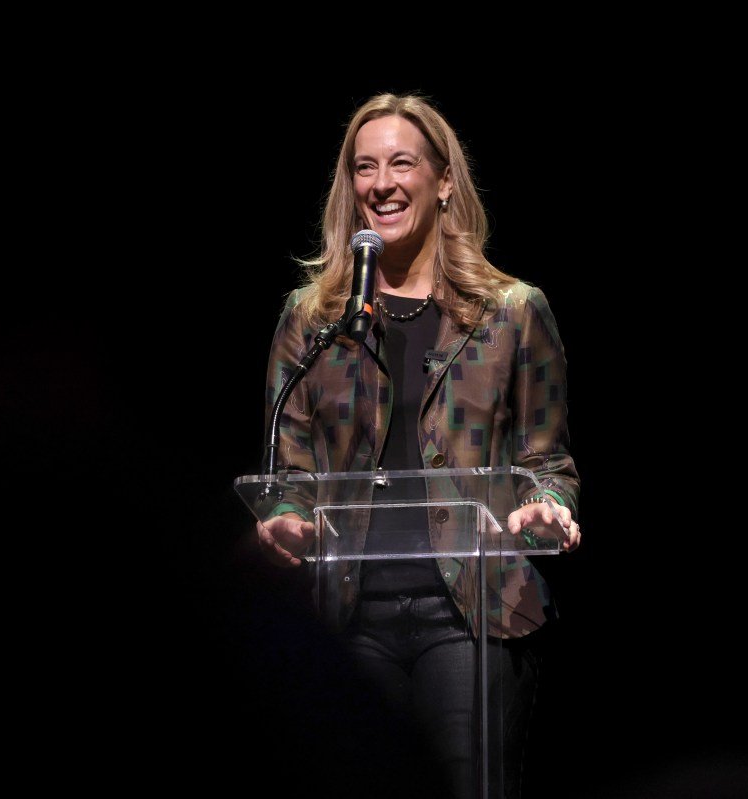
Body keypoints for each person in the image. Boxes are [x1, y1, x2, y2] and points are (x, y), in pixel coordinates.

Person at [255, 93, 582, 798]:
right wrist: (285, 515)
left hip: (471, 616)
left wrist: (546, 506)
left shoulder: (511, 312)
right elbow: (290, 472)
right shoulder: (312, 321)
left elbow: (547, 461)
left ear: (444, 182)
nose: (382, 184)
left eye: (402, 164)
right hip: (346, 619)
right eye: (364, 167)